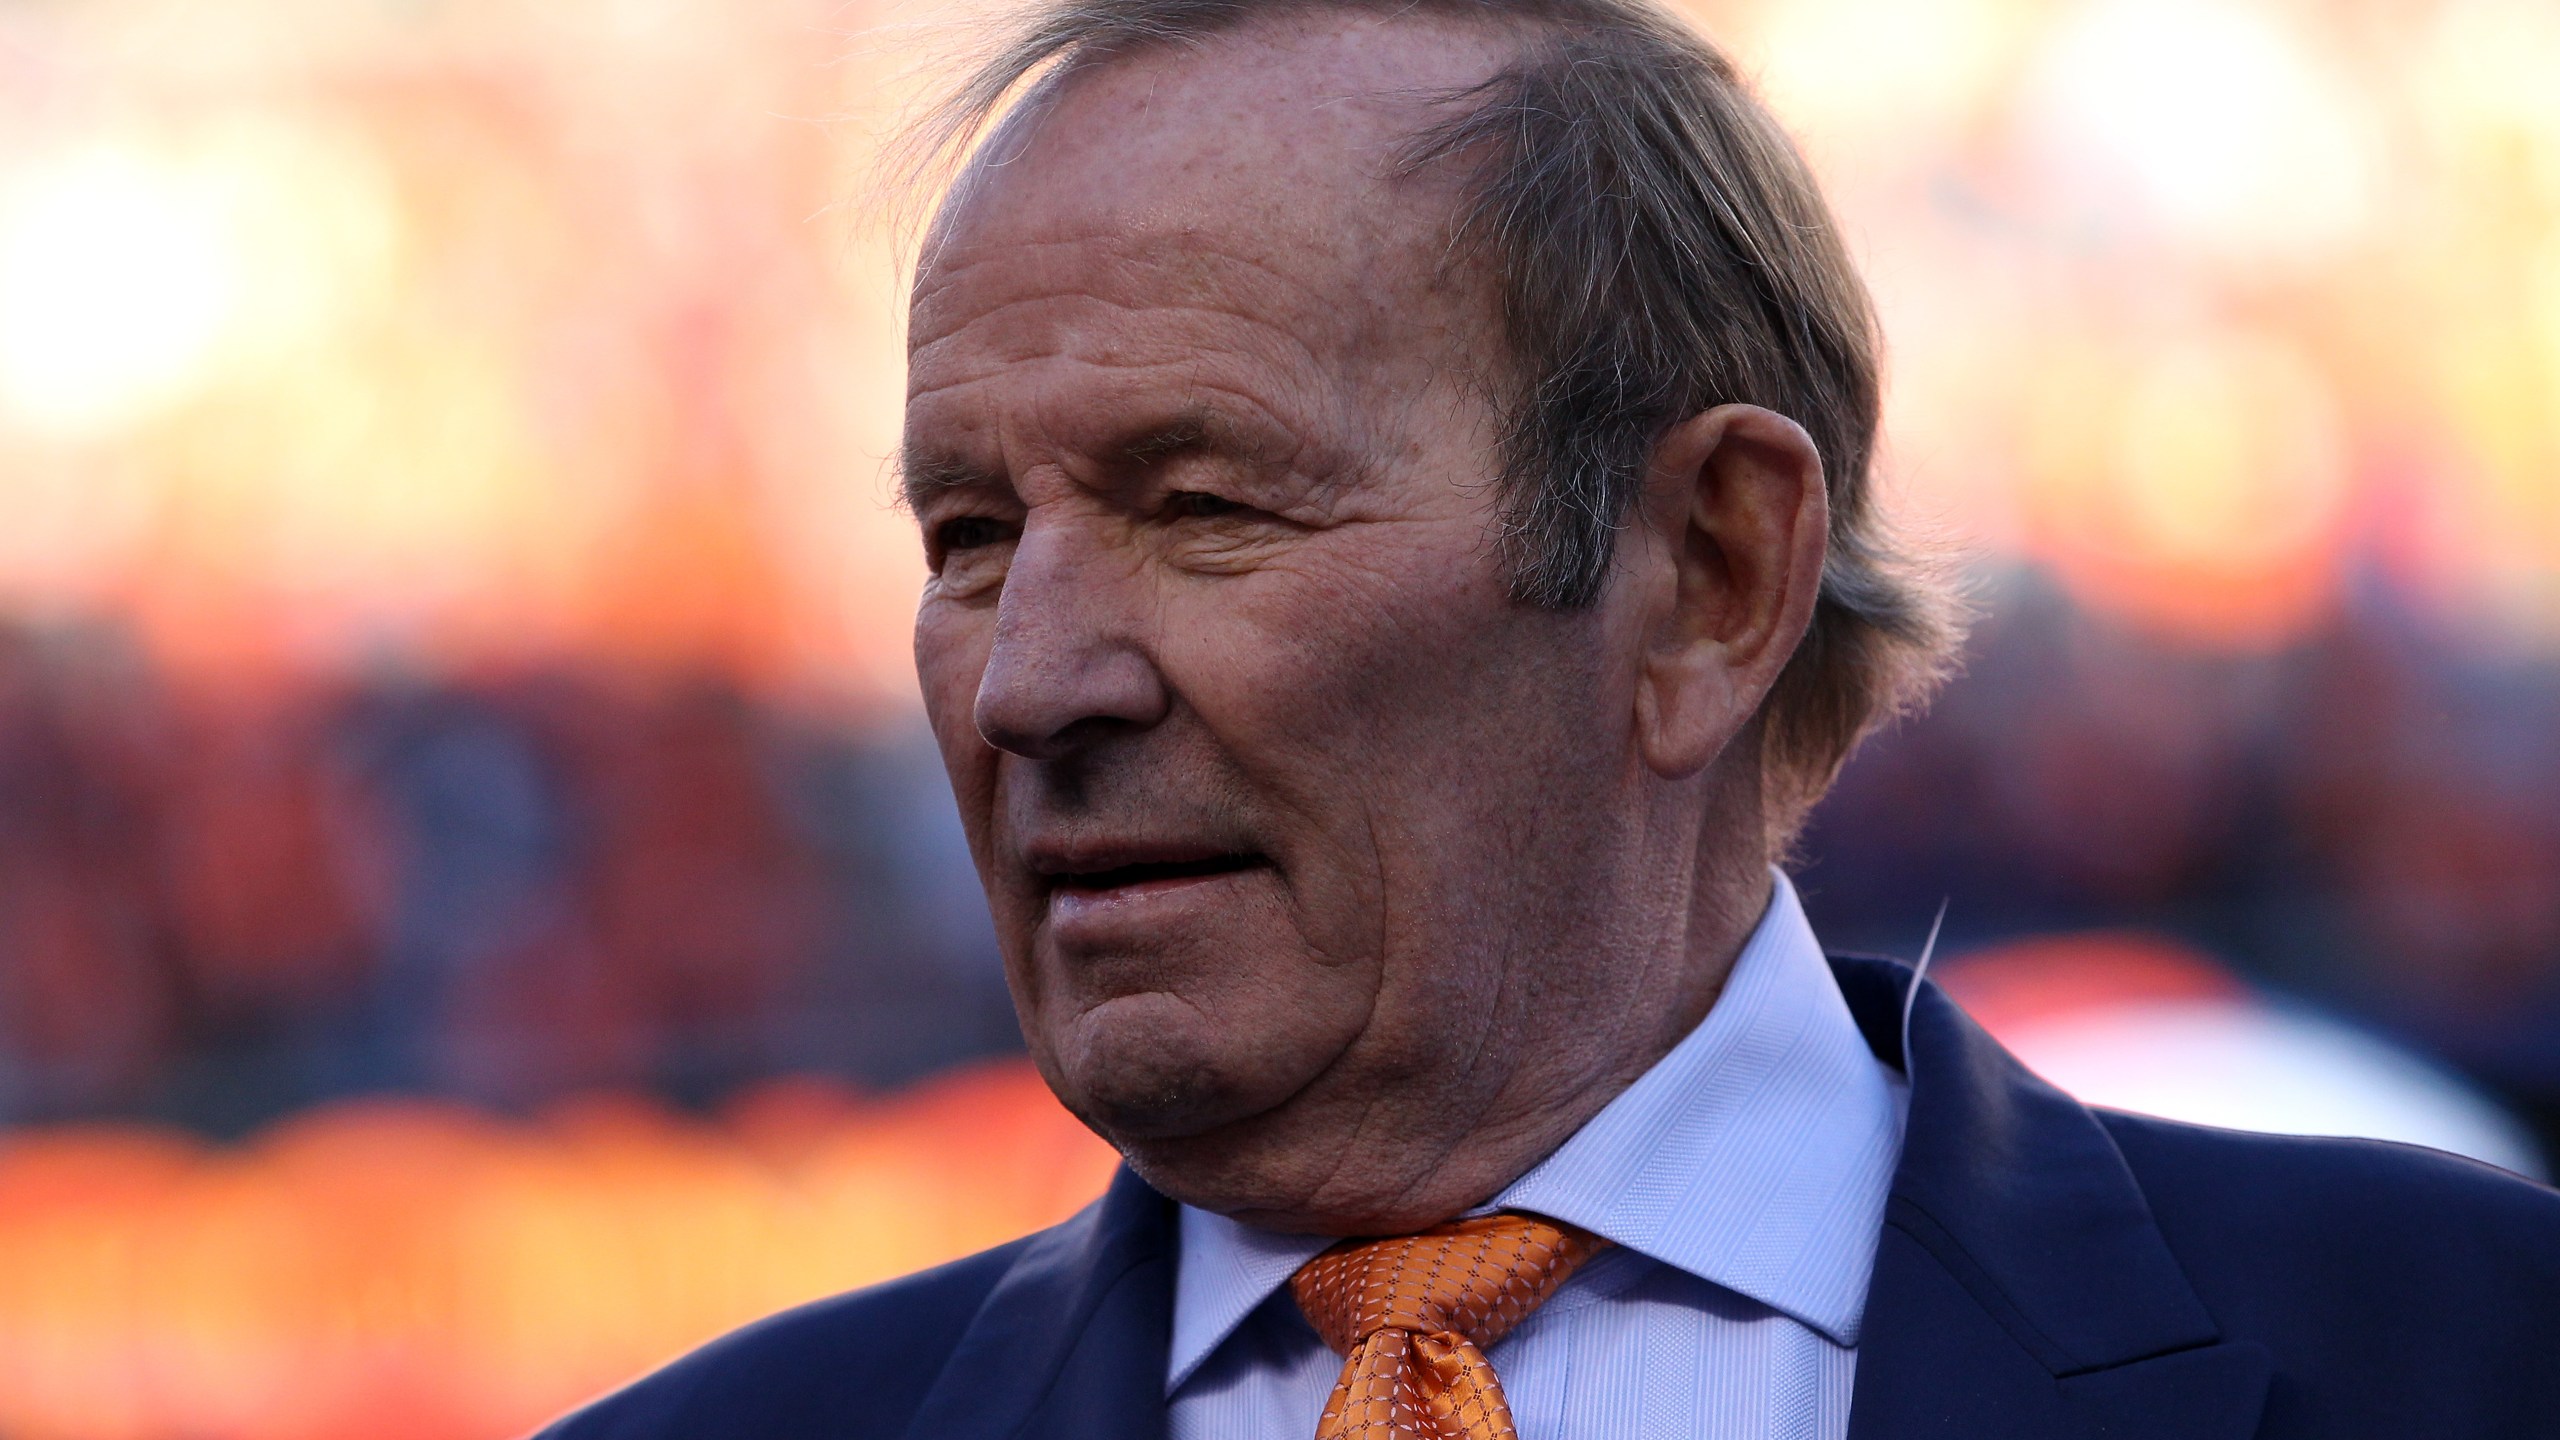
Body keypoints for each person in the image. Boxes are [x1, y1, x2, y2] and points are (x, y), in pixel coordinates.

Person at [540, 0, 2560, 1436]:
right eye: (966, 535)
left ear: (1707, 574)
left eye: (1204, 504)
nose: (1028, 676)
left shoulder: (2467, 1357)